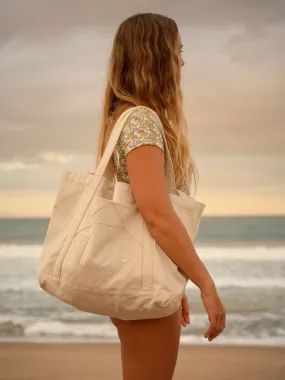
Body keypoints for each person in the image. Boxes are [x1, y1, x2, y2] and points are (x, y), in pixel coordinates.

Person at [97, 13, 226, 380]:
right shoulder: (142, 121)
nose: (182, 61)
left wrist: (170, 274)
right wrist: (205, 283)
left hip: (137, 277)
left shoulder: (122, 115)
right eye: (177, 51)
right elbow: (156, 212)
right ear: (155, 56)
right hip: (141, 286)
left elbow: (141, 209)